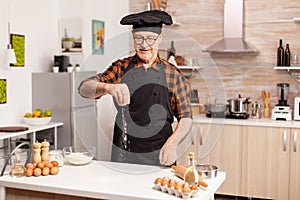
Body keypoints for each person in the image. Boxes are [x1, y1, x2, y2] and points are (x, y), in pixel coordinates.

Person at [78, 10, 193, 166]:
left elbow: (186, 117)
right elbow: (84, 88)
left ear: (160, 38)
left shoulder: (172, 74)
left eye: (150, 39)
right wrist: (108, 88)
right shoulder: (121, 67)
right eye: (138, 39)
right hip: (123, 153)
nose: (144, 45)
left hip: (160, 153)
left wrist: (173, 143)